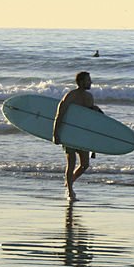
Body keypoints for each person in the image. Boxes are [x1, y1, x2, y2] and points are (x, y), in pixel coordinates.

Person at [53, 71, 103, 202]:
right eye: (88, 80)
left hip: (82, 135)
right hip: (69, 133)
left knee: (85, 165)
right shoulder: (71, 96)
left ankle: (69, 182)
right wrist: (55, 133)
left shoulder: (89, 97)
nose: (90, 82)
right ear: (81, 82)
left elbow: (89, 117)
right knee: (71, 162)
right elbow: (60, 114)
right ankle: (70, 191)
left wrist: (96, 110)